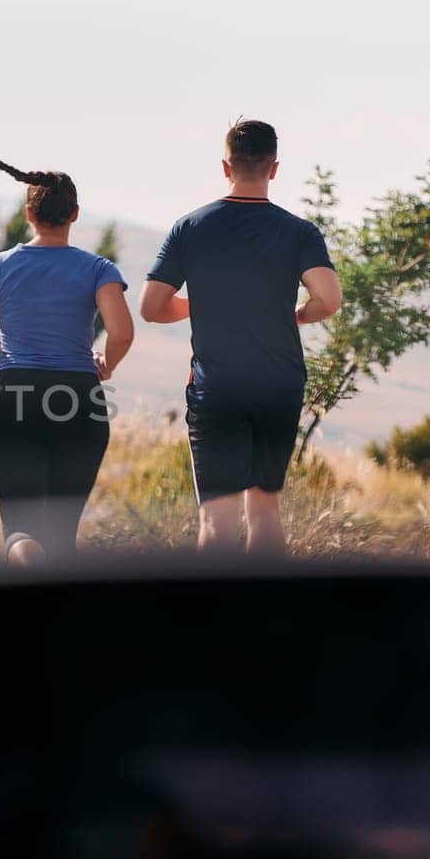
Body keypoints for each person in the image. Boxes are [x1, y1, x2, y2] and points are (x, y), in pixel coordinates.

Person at [139, 119, 341, 555]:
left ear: (225, 166)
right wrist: (300, 316)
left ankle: (214, 620)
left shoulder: (189, 228)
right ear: (274, 168)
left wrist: (208, 302)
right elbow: (329, 299)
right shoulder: (299, 232)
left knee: (216, 523)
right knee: (266, 511)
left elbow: (151, 308)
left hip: (217, 388)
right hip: (279, 385)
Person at [0, 141, 134, 566]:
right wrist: (106, 364)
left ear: (29, 215)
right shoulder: (98, 269)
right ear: (74, 214)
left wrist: (13, 338)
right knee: (62, 534)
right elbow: (122, 333)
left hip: (14, 395)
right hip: (79, 397)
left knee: (20, 528)